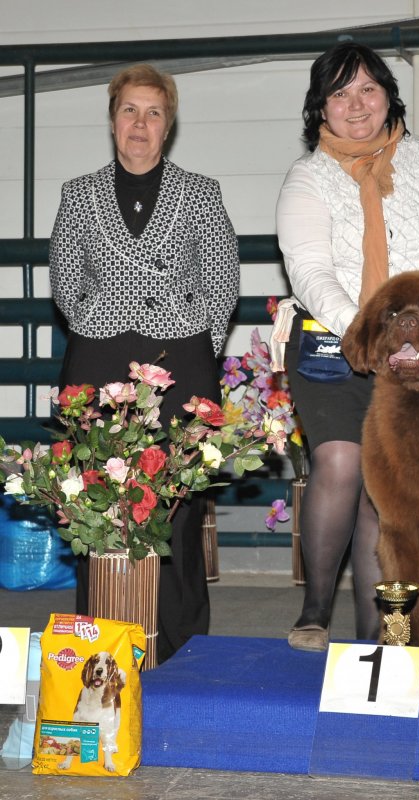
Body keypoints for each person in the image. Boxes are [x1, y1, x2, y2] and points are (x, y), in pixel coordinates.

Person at [275, 43, 419, 652]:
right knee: (340, 463)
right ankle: (315, 609)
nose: (356, 104)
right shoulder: (306, 178)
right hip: (332, 345)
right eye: (339, 93)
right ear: (321, 109)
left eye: (367, 88)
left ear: (390, 94)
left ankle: (378, 637)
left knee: (383, 494)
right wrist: (369, 331)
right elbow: (310, 273)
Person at [49, 64, 240, 663]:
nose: (140, 123)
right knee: (95, 497)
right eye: (129, 110)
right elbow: (63, 277)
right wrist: (94, 322)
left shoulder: (202, 192)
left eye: (153, 112)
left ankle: (181, 643)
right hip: (98, 357)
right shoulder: (76, 194)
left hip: (180, 360)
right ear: (112, 121)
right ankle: (101, 635)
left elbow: (223, 281)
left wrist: (195, 348)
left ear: (169, 124)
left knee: (176, 508)